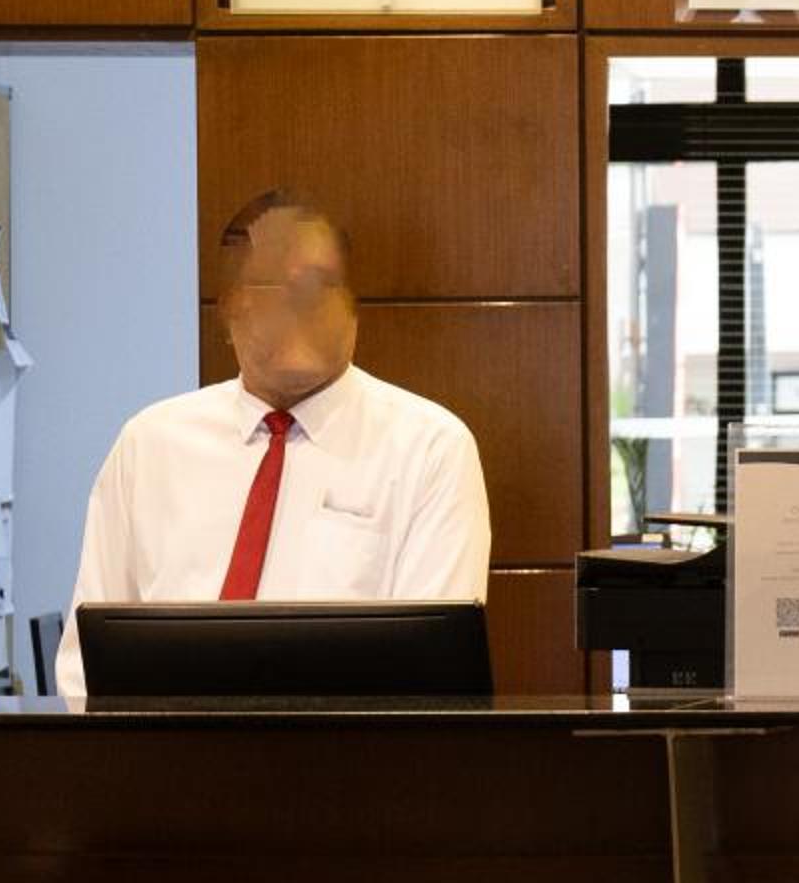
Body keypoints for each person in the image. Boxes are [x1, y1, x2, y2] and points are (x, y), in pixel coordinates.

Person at [57, 191, 491, 694]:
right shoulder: (149, 446)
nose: (297, 306)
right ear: (229, 308)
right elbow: (85, 669)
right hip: (164, 745)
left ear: (352, 307)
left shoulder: (429, 449)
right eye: (271, 285)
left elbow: (432, 680)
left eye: (316, 285)